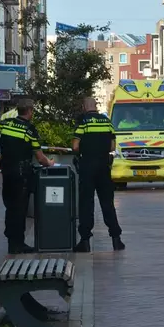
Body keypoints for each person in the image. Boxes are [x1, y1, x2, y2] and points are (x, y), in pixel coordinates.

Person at [0, 98, 52, 254]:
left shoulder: (5, 123)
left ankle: (12, 241)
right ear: (30, 111)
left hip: (7, 170)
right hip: (22, 173)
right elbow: (40, 158)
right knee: (20, 208)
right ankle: (18, 244)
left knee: (10, 206)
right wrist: (50, 163)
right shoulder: (29, 130)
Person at [72, 97, 125, 252]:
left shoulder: (83, 122)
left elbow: (75, 146)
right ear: (96, 106)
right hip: (104, 166)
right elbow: (112, 145)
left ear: (84, 107)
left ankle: (85, 241)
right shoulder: (106, 122)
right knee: (107, 203)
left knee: (86, 204)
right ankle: (116, 240)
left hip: (87, 166)